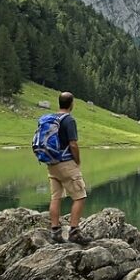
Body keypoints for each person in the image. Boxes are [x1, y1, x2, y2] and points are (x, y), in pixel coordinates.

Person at [48, 91, 88, 244]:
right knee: (80, 196)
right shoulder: (69, 120)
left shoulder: (52, 119)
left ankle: (55, 231)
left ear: (59, 103)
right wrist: (77, 161)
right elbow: (73, 143)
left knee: (55, 197)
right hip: (66, 163)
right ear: (72, 104)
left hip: (52, 164)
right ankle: (74, 232)